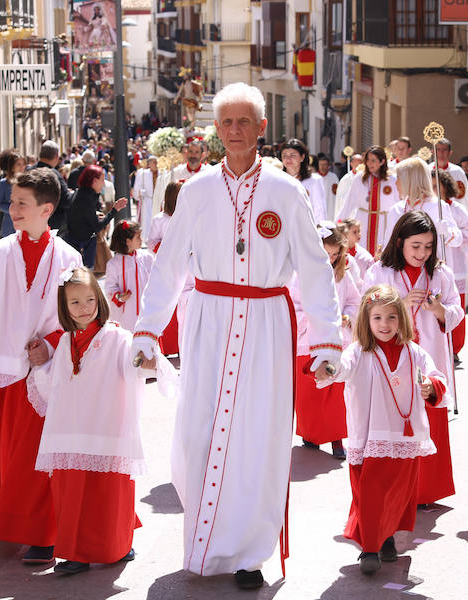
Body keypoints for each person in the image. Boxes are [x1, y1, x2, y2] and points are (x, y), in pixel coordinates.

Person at [130, 82, 343, 590]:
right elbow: (168, 264)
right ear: (217, 130)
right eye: (226, 122)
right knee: (197, 432)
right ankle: (204, 544)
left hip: (267, 323)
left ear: (262, 128)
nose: (234, 131)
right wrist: (147, 329)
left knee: (260, 439)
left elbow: (315, 270)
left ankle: (250, 553)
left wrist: (327, 340)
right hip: (208, 322)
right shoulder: (198, 190)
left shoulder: (286, 192)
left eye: (244, 121)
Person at [0, 168, 82, 565]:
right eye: (11, 201)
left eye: (21, 203)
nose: (12, 209)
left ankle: (41, 534)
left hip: (42, 376)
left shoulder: (68, 258)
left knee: (33, 459)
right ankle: (14, 520)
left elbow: (79, 318)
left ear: (47, 209)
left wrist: (50, 344)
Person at [28, 266, 166, 575]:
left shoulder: (116, 337)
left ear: (99, 299)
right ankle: (74, 553)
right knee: (70, 494)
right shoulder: (66, 342)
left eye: (89, 299)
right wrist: (39, 366)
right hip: (71, 432)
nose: (83, 308)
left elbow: (133, 362)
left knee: (107, 495)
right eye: (74, 302)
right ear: (64, 308)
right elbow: (54, 384)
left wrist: (147, 360)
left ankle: (113, 548)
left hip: (106, 429)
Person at [319, 284, 445, 575]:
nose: (384, 325)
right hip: (369, 435)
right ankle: (370, 547)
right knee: (370, 491)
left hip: (404, 436)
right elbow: (342, 367)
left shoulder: (414, 353)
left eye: (391, 317)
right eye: (377, 318)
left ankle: (386, 536)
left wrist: (431, 387)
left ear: (401, 318)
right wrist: (328, 368)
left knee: (398, 492)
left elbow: (436, 376)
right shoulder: (359, 352)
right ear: (366, 319)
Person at [363, 211, 462, 507]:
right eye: (416, 245)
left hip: (428, 357)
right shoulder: (379, 272)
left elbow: (456, 310)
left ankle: (425, 492)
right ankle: (394, 491)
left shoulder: (440, 273)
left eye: (429, 246)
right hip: (390, 357)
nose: (422, 253)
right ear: (400, 241)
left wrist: (440, 311)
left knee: (428, 419)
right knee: (391, 421)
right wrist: (399, 306)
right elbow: (366, 310)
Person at [292, 222, 360, 459]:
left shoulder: (342, 274)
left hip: (337, 341)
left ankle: (337, 438)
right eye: (325, 254)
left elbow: (353, 300)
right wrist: (313, 320)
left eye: (334, 255)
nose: (330, 259)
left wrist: (348, 317)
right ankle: (310, 434)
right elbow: (294, 306)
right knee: (309, 392)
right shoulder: (300, 274)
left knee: (335, 389)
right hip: (308, 340)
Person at [431, 169, 468, 357]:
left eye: (436, 186)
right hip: (434, 265)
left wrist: (450, 234)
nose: (433, 190)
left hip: (454, 265)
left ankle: (455, 347)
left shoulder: (457, 209)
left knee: (455, 306)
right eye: (430, 186)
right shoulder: (430, 207)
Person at [386, 157, 462, 258]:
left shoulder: (437, 206)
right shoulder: (396, 209)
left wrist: (447, 232)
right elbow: (388, 242)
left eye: (399, 179)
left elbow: (458, 240)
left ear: (410, 180)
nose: (395, 183)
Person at [338, 146, 401, 256]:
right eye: (367, 160)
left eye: (373, 160)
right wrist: (338, 224)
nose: (369, 164)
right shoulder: (359, 179)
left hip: (384, 223)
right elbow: (349, 203)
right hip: (363, 221)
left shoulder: (392, 180)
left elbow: (399, 205)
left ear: (382, 162)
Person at [148, 182, 185, 356]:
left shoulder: (188, 216)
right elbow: (151, 243)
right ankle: (168, 347)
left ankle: (182, 346)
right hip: (166, 269)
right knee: (168, 306)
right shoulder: (159, 219)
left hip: (186, 270)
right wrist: (169, 247)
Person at [66, 165, 127, 268]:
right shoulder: (86, 198)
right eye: (102, 180)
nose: (103, 183)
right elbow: (97, 226)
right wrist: (114, 210)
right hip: (83, 247)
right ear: (94, 181)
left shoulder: (82, 193)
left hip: (77, 244)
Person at [105, 220, 154, 332]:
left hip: (145, 310)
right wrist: (119, 297)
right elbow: (109, 288)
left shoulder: (147, 258)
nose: (142, 240)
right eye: (138, 237)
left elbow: (155, 280)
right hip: (125, 314)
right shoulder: (113, 264)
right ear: (128, 241)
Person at [29, 141, 72, 230]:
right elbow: (66, 201)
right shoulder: (54, 174)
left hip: (32, 221)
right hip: (52, 224)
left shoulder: (29, 171)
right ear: (56, 156)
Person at [281, 139, 326, 221]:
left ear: (302, 157)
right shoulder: (278, 180)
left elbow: (319, 209)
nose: (288, 159)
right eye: (284, 155)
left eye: (293, 155)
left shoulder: (314, 180)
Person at [0, 148, 25, 238]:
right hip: (9, 225)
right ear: (12, 167)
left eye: (23, 164)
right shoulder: (4, 183)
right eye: (18, 164)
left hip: (25, 224)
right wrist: (13, 210)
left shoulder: (28, 182)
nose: (22, 167)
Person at [133, 155, 159, 239]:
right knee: (147, 220)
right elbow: (137, 187)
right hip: (147, 200)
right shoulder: (143, 173)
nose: (155, 164)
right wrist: (140, 193)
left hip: (158, 200)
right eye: (153, 162)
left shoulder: (162, 173)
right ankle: (146, 237)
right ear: (149, 164)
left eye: (156, 162)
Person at [335, 153, 364, 220]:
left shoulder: (367, 178)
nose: (359, 166)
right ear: (351, 164)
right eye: (357, 164)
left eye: (361, 163)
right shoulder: (346, 179)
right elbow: (341, 199)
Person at [317, 154, 340, 219]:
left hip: (330, 207)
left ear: (328, 166)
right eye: (321, 164)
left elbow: (337, 193)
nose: (322, 167)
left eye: (324, 165)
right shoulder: (314, 177)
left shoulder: (333, 177)